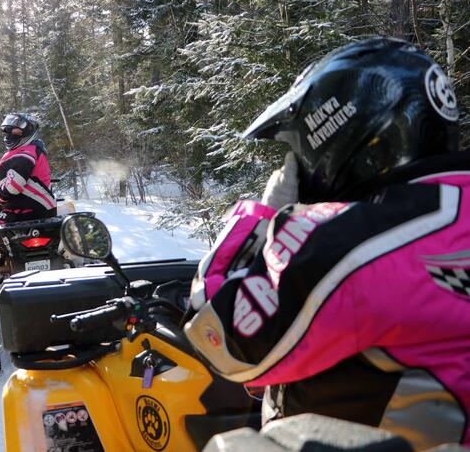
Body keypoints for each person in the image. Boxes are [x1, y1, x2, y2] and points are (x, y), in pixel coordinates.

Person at [184, 37, 469, 450]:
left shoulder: (350, 239)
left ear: (340, 135)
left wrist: (262, 217)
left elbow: (216, 335)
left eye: (299, 151)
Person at [0, 113, 56, 223]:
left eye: (16, 132)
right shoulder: (29, 150)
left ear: (28, 132)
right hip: (28, 206)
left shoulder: (25, 153)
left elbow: (14, 186)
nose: (10, 135)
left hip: (31, 209)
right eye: (8, 131)